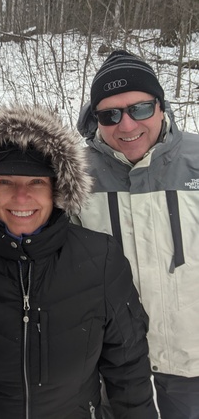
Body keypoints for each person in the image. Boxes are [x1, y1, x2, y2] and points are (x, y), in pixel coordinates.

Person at [0, 103, 158, 419]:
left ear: (56, 188)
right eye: (5, 182)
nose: (21, 197)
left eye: (36, 181)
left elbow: (128, 368)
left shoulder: (101, 258)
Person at [76, 49, 199, 419]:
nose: (127, 126)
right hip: (114, 364)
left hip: (192, 358)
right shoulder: (75, 176)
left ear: (161, 106)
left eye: (140, 109)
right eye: (110, 115)